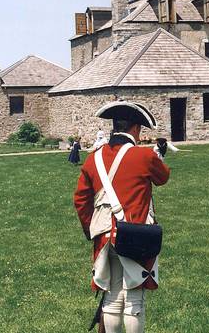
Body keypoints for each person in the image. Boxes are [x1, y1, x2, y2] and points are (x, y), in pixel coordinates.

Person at [73, 101, 170, 333]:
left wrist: (92, 231)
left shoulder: (92, 159)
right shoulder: (144, 156)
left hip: (105, 238)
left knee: (112, 299)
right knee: (134, 301)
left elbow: (81, 201)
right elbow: (163, 177)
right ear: (135, 129)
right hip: (135, 236)